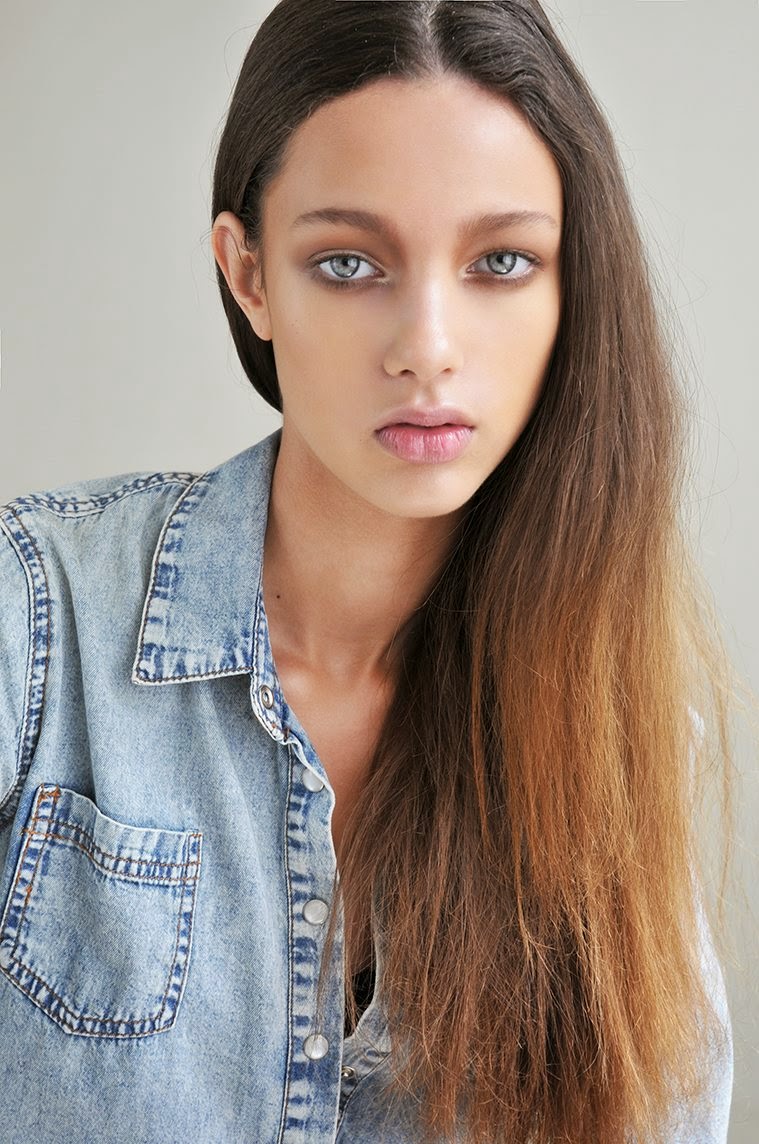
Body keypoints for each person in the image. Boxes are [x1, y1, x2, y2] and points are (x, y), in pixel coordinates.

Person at [0, 1, 734, 1141]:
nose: (427, 346)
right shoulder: (36, 621)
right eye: (348, 263)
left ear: (570, 285)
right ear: (248, 274)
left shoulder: (618, 731)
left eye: (501, 261)